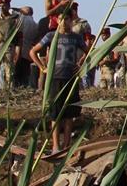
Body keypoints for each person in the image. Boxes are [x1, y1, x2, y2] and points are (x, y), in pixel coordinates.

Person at [30, 12, 88, 152]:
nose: (64, 22)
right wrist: (42, 67)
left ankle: (67, 145)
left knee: (69, 114)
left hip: (70, 78)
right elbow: (33, 52)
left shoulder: (76, 38)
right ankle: (56, 146)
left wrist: (80, 64)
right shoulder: (51, 36)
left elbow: (89, 51)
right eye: (61, 19)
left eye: (66, 19)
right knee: (55, 114)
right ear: (57, 20)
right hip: (55, 78)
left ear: (70, 20)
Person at [15, 5, 42, 87]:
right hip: (28, 54)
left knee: (15, 76)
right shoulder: (35, 25)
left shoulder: (21, 19)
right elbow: (36, 40)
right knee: (25, 76)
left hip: (17, 52)